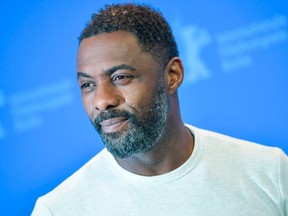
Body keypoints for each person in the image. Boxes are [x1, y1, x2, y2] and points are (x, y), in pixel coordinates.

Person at [32, 3, 288, 216]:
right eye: (87, 85)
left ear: (172, 75)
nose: (102, 101)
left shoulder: (270, 172)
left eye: (120, 77)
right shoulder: (58, 210)